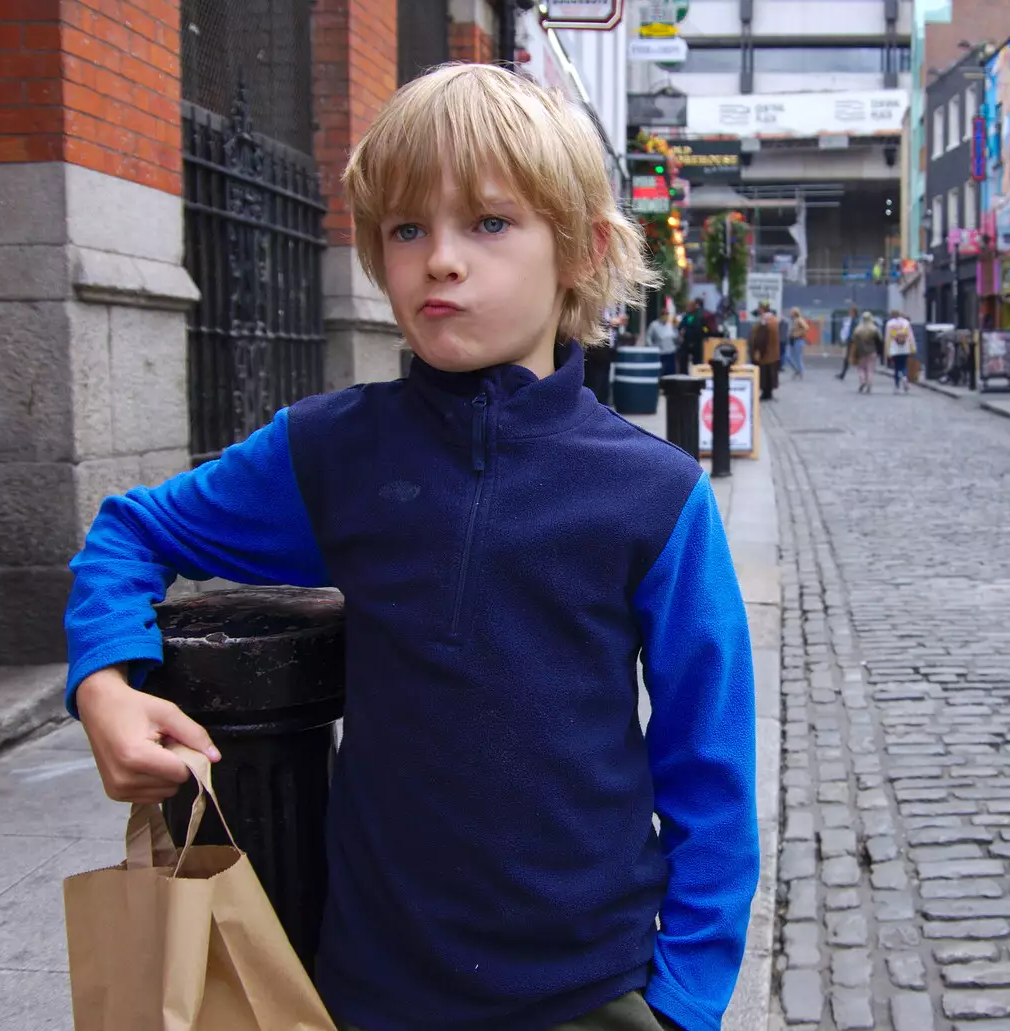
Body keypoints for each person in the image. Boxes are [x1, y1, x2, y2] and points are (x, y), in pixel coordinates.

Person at [63, 64, 758, 1031]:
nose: (440, 259)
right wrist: (106, 685)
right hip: (376, 988)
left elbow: (709, 766)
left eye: (488, 223)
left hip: (595, 985)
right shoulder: (332, 450)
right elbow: (130, 530)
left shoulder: (656, 492)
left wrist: (684, 999)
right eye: (406, 229)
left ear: (582, 249)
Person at [749, 301, 781, 401]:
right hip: (772, 353)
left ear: (762, 308)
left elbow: (761, 337)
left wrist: (758, 350)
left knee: (765, 374)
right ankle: (768, 392)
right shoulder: (773, 320)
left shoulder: (765, 321)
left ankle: (766, 393)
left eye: (759, 307)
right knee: (770, 374)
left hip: (765, 353)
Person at [849, 312, 883, 393]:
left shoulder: (858, 329)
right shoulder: (874, 329)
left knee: (860, 368)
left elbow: (854, 340)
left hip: (861, 352)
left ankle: (862, 381)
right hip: (872, 351)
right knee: (870, 369)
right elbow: (880, 340)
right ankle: (869, 385)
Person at [884, 310, 914, 393]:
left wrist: (887, 350)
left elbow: (887, 338)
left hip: (894, 347)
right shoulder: (906, 323)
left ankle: (897, 386)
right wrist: (912, 348)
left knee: (896, 367)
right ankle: (904, 377)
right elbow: (911, 336)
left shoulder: (890, 324)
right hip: (905, 347)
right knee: (904, 365)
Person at [678, 297, 709, 374]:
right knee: (683, 359)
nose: (688, 308)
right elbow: (681, 327)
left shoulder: (700, 316)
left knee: (697, 360)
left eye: (689, 306)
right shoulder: (686, 317)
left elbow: (705, 327)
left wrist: (706, 334)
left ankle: (697, 374)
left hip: (697, 341)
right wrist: (681, 332)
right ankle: (683, 374)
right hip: (686, 341)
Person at [647, 305, 679, 378]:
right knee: (660, 373)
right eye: (664, 314)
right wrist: (652, 348)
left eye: (667, 314)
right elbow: (648, 338)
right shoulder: (654, 325)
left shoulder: (671, 325)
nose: (666, 316)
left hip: (670, 353)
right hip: (660, 353)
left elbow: (676, 337)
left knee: (671, 373)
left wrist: (677, 346)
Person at [785, 306, 810, 380]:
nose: (790, 314)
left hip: (798, 340)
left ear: (795, 313)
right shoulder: (793, 321)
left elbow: (806, 327)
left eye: (791, 312)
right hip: (792, 340)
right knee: (788, 356)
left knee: (797, 357)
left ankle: (800, 372)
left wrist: (799, 333)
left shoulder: (799, 320)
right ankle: (797, 370)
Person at [836, 304, 859, 380]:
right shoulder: (853, 320)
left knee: (850, 357)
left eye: (851, 311)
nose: (849, 313)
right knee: (847, 358)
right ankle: (843, 373)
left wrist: (850, 338)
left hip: (853, 341)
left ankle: (844, 373)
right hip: (851, 340)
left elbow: (854, 331)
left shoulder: (855, 320)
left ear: (854, 312)